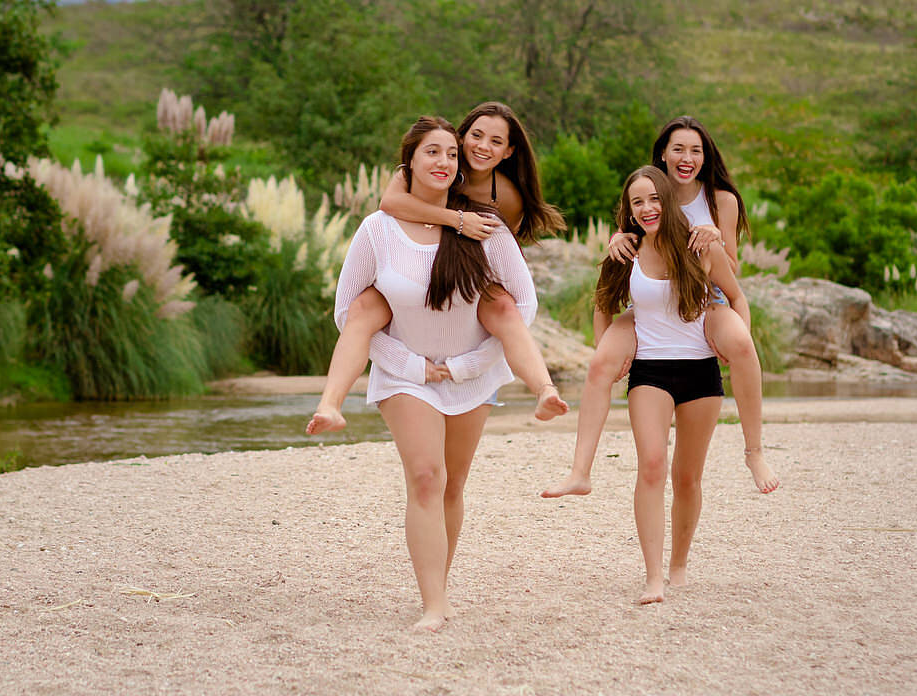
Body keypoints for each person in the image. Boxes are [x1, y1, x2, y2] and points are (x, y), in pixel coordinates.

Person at [307, 117, 547, 630]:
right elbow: (347, 311)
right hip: (404, 375)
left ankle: (438, 581)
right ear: (409, 162)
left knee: (453, 485)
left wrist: (465, 366)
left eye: (450, 155)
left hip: (468, 375)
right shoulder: (378, 229)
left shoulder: (483, 223)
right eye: (432, 153)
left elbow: (520, 304)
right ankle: (434, 604)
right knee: (425, 477)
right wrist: (409, 365)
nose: (444, 162)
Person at [542, 116, 777, 496]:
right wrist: (617, 237)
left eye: (696, 150)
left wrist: (713, 237)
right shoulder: (650, 189)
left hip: (705, 300)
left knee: (742, 345)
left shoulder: (721, 200)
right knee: (601, 361)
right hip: (650, 302)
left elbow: (729, 270)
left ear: (706, 156)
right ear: (663, 155)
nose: (687, 157)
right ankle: (579, 471)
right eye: (678, 149)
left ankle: (754, 451)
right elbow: (631, 235)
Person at [554, 166, 755, 604]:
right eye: (636, 202)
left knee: (687, 478)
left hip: (701, 369)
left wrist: (735, 336)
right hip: (650, 372)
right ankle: (652, 578)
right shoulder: (625, 251)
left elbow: (735, 295)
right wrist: (606, 348)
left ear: (669, 199)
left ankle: (678, 565)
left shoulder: (699, 246)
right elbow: (603, 304)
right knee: (651, 466)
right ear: (627, 211)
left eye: (653, 199)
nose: (647, 208)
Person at [307, 101, 567, 432]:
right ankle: (330, 404)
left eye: (496, 141)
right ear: (462, 137)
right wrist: (456, 220)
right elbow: (391, 203)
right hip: (422, 251)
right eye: (476, 135)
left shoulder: (506, 196)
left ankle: (544, 389)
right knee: (369, 304)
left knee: (500, 304)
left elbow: (499, 251)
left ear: (509, 152)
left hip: (469, 265)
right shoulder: (432, 166)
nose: (483, 147)